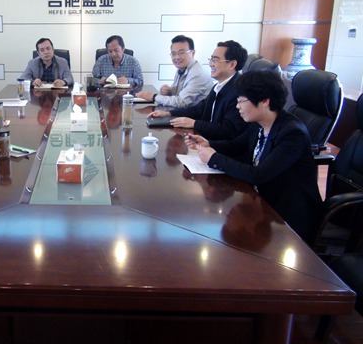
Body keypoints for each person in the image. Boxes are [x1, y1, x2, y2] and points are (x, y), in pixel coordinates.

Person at [184, 70, 323, 243]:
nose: (238, 107)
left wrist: (214, 158)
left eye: (242, 101)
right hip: (261, 200)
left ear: (265, 101)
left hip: (287, 215)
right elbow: (236, 145)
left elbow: (259, 175)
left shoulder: (292, 134)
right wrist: (208, 144)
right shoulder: (259, 123)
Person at [148, 40, 248, 140]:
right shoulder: (218, 86)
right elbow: (199, 108)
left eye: (215, 60)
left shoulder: (239, 92)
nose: (210, 64)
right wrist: (169, 113)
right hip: (206, 140)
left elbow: (227, 129)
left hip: (219, 145)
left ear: (232, 64)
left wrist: (194, 123)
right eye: (211, 59)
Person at [136, 35, 213, 108]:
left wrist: (153, 97)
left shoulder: (198, 75)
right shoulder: (182, 69)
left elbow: (182, 102)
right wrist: (170, 90)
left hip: (194, 116)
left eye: (181, 53)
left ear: (192, 53)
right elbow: (180, 94)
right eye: (173, 53)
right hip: (182, 113)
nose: (177, 57)